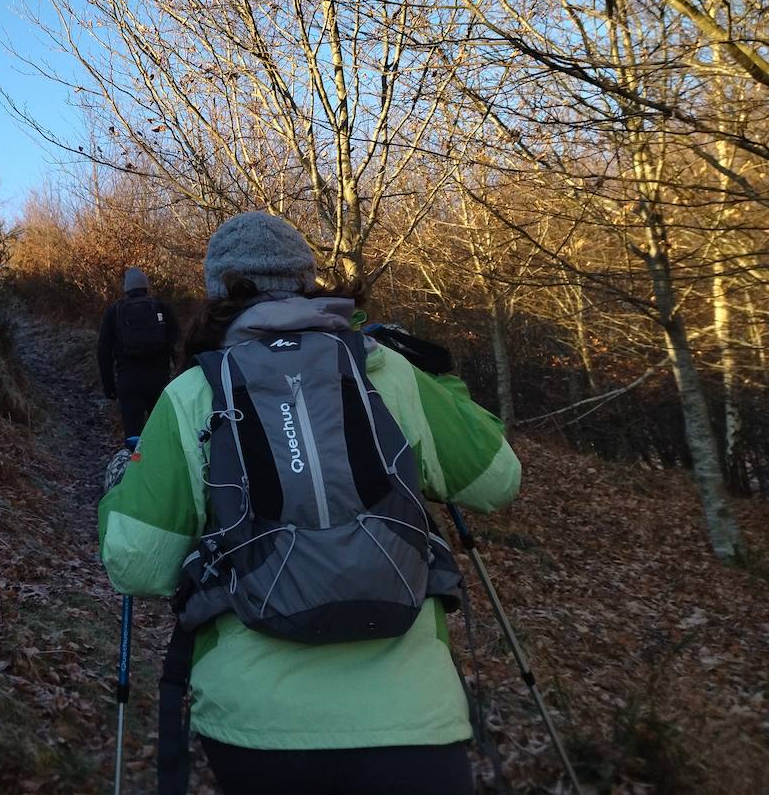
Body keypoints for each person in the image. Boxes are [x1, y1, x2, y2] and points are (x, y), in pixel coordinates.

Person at [98, 213, 521, 795]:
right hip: (411, 718)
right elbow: (499, 479)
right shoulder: (384, 369)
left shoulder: (195, 391)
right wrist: (444, 387)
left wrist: (120, 489)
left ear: (217, 290)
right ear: (307, 279)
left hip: (257, 724)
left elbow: (136, 563)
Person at [97, 266, 180, 439]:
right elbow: (176, 342)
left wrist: (108, 385)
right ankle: (158, 455)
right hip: (159, 380)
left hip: (129, 383)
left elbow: (104, 350)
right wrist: (180, 377)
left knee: (133, 435)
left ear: (126, 289)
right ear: (146, 286)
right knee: (161, 434)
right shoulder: (161, 307)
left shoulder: (114, 312)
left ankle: (134, 455)